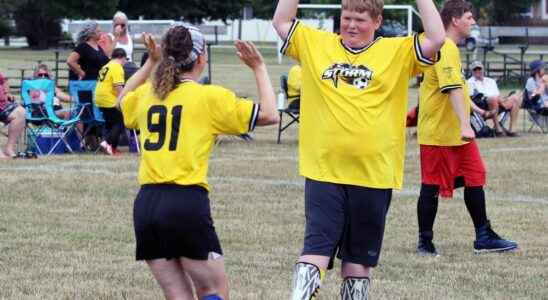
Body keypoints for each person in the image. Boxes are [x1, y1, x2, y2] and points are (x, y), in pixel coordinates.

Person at [273, 0, 445, 298]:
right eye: (347, 17)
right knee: (315, 251)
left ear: (377, 21)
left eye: (360, 19)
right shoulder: (316, 44)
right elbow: (281, 21)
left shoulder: (396, 51)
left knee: (358, 263)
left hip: (374, 174)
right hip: (324, 170)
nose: (351, 25)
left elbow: (436, 39)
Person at [118, 26, 278, 300]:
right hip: (185, 202)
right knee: (213, 291)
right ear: (201, 58)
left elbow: (121, 101)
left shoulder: (148, 96)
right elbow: (270, 114)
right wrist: (259, 67)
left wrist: (152, 63)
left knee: (177, 294)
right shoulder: (208, 97)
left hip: (147, 205)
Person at [416, 0, 518, 257]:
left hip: (458, 134)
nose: (473, 22)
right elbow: (449, 88)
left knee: (476, 176)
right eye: (470, 17)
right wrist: (465, 124)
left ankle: (483, 235)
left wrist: (479, 112)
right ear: (454, 20)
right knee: (431, 186)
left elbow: (458, 87)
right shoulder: (445, 47)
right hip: (439, 134)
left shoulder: (452, 49)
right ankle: (425, 242)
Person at [467, 61, 522, 136]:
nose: (477, 71)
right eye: (475, 70)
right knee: (493, 98)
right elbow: (473, 99)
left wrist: (501, 100)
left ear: (483, 70)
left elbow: (497, 95)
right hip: (483, 106)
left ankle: (512, 129)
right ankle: (497, 128)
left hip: (498, 103)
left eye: (479, 69)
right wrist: (498, 100)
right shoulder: (469, 82)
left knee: (515, 97)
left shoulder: (491, 81)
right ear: (472, 72)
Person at [95, 48, 128, 155]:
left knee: (110, 124)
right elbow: (118, 86)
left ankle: (112, 148)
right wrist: (124, 100)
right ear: (122, 58)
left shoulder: (106, 66)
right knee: (120, 122)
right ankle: (107, 143)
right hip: (109, 98)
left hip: (100, 98)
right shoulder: (117, 67)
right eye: (125, 60)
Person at [0, 72, 25, 158]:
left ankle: (9, 149)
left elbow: (3, 81)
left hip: (3, 106)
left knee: (20, 112)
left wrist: (7, 93)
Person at [109, 11, 139, 80]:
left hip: (130, 69)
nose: (120, 27)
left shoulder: (130, 37)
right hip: (116, 69)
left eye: (122, 25)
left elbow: (131, 55)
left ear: (126, 25)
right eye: (117, 25)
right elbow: (108, 55)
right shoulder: (109, 37)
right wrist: (116, 36)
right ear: (113, 25)